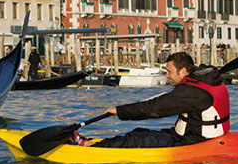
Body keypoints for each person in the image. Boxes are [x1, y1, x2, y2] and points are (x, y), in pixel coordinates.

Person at [76, 52, 230, 148]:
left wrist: (120, 111)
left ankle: (91, 147)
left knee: (137, 139)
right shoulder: (203, 77)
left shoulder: (191, 92)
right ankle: (100, 144)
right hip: (189, 135)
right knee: (139, 132)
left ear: (183, 71)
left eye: (169, 72)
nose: (166, 76)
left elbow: (153, 109)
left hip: (194, 141)